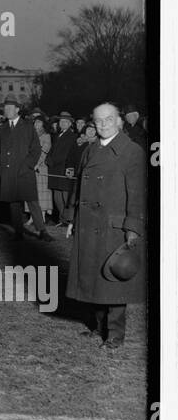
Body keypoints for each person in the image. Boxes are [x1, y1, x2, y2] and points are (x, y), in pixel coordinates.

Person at [66, 103, 146, 350]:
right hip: (88, 223)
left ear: (119, 121)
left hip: (114, 227)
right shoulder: (89, 150)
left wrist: (132, 229)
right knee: (93, 277)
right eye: (98, 121)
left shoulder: (132, 151)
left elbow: (137, 194)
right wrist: (71, 218)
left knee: (114, 280)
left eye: (108, 120)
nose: (102, 125)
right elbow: (78, 187)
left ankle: (115, 335)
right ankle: (98, 327)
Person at [0, 97, 52, 241]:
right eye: (5, 108)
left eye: (10, 108)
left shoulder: (28, 126)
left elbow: (36, 150)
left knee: (33, 201)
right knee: (14, 203)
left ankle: (42, 231)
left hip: (25, 171)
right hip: (8, 173)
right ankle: (18, 231)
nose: (7, 111)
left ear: (18, 110)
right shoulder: (2, 129)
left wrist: (28, 166)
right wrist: (1, 171)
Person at [46, 112, 80, 223]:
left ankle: (68, 219)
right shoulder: (58, 135)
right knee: (57, 195)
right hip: (54, 168)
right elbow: (52, 150)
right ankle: (62, 219)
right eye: (61, 121)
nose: (63, 123)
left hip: (63, 168)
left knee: (65, 195)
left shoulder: (72, 136)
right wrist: (48, 158)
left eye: (65, 121)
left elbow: (66, 154)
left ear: (70, 124)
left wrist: (52, 161)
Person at [32, 116, 53, 220]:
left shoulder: (46, 136)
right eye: (35, 122)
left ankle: (42, 215)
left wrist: (37, 164)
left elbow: (44, 151)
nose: (36, 124)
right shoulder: (31, 136)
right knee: (32, 192)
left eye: (39, 122)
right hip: (30, 166)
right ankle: (32, 216)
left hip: (41, 167)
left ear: (43, 124)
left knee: (41, 192)